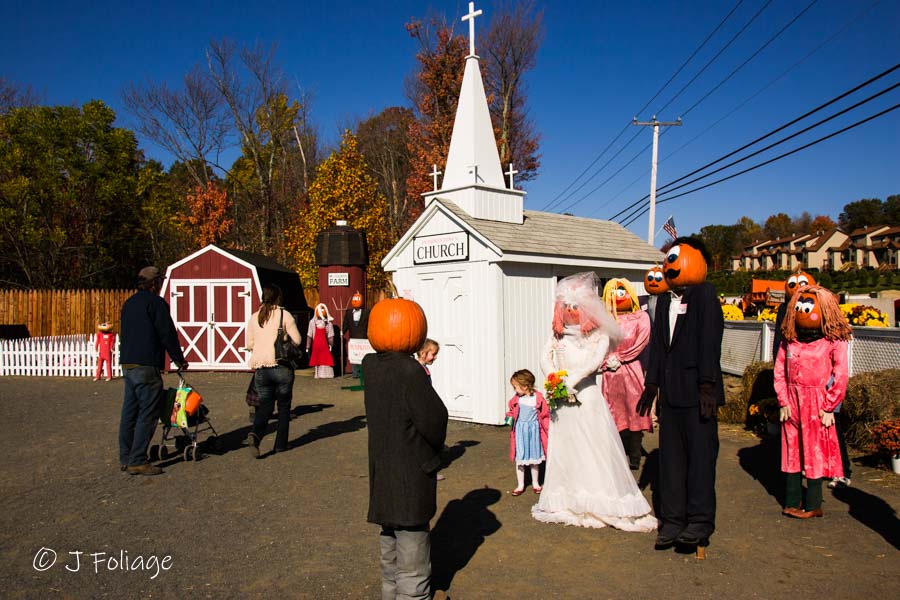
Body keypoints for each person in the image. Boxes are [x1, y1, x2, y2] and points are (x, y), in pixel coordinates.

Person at [532, 271, 657, 532]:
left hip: (585, 396)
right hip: (562, 401)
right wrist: (553, 376)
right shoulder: (557, 335)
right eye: (566, 306)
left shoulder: (598, 335)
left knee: (592, 445)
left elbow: (592, 363)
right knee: (567, 447)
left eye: (576, 306)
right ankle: (568, 494)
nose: (570, 311)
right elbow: (545, 357)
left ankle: (598, 495)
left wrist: (572, 380)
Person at [637, 236, 724, 550]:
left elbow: (709, 341)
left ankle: (699, 521)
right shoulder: (664, 302)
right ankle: (672, 521)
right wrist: (652, 383)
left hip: (699, 395)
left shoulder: (704, 295)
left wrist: (707, 384)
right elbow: (660, 348)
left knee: (700, 460)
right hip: (672, 395)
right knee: (671, 463)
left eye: (675, 258)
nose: (668, 265)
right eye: (667, 259)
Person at [363, 330, 448, 600]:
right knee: (412, 540)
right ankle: (413, 597)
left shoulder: (370, 365)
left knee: (389, 535)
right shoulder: (410, 371)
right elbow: (434, 419)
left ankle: (391, 593)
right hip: (410, 469)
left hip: (383, 465)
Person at [775, 285, 851, 518]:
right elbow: (779, 371)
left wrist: (830, 405)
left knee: (814, 449)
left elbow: (841, 374)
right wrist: (783, 400)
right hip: (792, 401)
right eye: (798, 307)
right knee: (791, 448)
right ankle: (792, 499)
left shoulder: (832, 342)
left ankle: (813, 503)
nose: (802, 312)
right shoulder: (789, 341)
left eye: (808, 307)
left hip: (816, 401)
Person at [118, 266, 188, 476]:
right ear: (154, 283)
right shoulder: (155, 303)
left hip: (128, 364)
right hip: (146, 364)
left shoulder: (129, 303)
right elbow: (166, 332)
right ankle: (138, 460)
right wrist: (178, 359)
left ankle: (126, 456)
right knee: (148, 413)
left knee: (129, 412)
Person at [601, 278, 652, 470]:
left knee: (634, 411)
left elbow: (642, 341)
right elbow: (597, 343)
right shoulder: (604, 320)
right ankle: (618, 454)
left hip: (631, 371)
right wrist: (606, 361)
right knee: (615, 413)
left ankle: (635, 455)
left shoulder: (641, 317)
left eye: (621, 292)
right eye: (613, 293)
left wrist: (621, 357)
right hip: (610, 375)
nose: (617, 297)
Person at [245, 284, 302, 458]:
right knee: (284, 407)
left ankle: (256, 434)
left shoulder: (255, 317)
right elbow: (298, 340)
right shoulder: (284, 315)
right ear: (279, 297)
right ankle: (280, 445)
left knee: (265, 406)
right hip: (281, 367)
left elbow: (249, 344)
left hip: (261, 368)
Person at [505, 369, 550, 496]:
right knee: (521, 459)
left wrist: (548, 430)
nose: (514, 390)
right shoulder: (516, 399)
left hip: (534, 433)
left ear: (525, 386)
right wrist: (508, 418)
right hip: (520, 433)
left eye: (515, 387)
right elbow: (511, 411)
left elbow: (545, 415)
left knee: (534, 459)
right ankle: (520, 485)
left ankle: (535, 483)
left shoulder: (538, 398)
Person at [343, 291, 370, 378]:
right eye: (354, 299)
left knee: (363, 355)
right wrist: (342, 331)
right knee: (354, 355)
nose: (356, 301)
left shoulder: (367, 312)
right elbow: (346, 324)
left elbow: (370, 324)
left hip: (363, 338)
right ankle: (355, 373)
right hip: (353, 337)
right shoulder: (349, 313)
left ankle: (363, 373)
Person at [307, 303, 335, 379]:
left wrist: (331, 344)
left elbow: (330, 336)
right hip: (316, 345)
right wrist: (308, 346)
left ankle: (327, 374)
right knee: (317, 359)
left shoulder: (328, 323)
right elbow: (309, 334)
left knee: (326, 358)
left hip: (325, 345)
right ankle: (317, 374)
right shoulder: (312, 322)